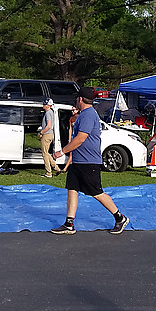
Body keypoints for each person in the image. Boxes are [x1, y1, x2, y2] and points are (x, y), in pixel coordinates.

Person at [51, 87, 129, 235]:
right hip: (79, 162)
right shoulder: (84, 114)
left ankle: (120, 218)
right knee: (72, 189)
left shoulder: (88, 115)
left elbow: (81, 138)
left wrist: (62, 151)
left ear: (80, 99)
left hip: (89, 162)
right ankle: (69, 223)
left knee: (96, 192)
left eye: (77, 99)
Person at [38, 98, 61, 177]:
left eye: (44, 104)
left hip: (47, 134)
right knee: (47, 153)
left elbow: (48, 126)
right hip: (50, 134)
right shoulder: (51, 112)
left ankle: (48, 172)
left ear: (48, 105)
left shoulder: (48, 113)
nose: (43, 105)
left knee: (44, 154)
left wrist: (41, 132)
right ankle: (56, 168)